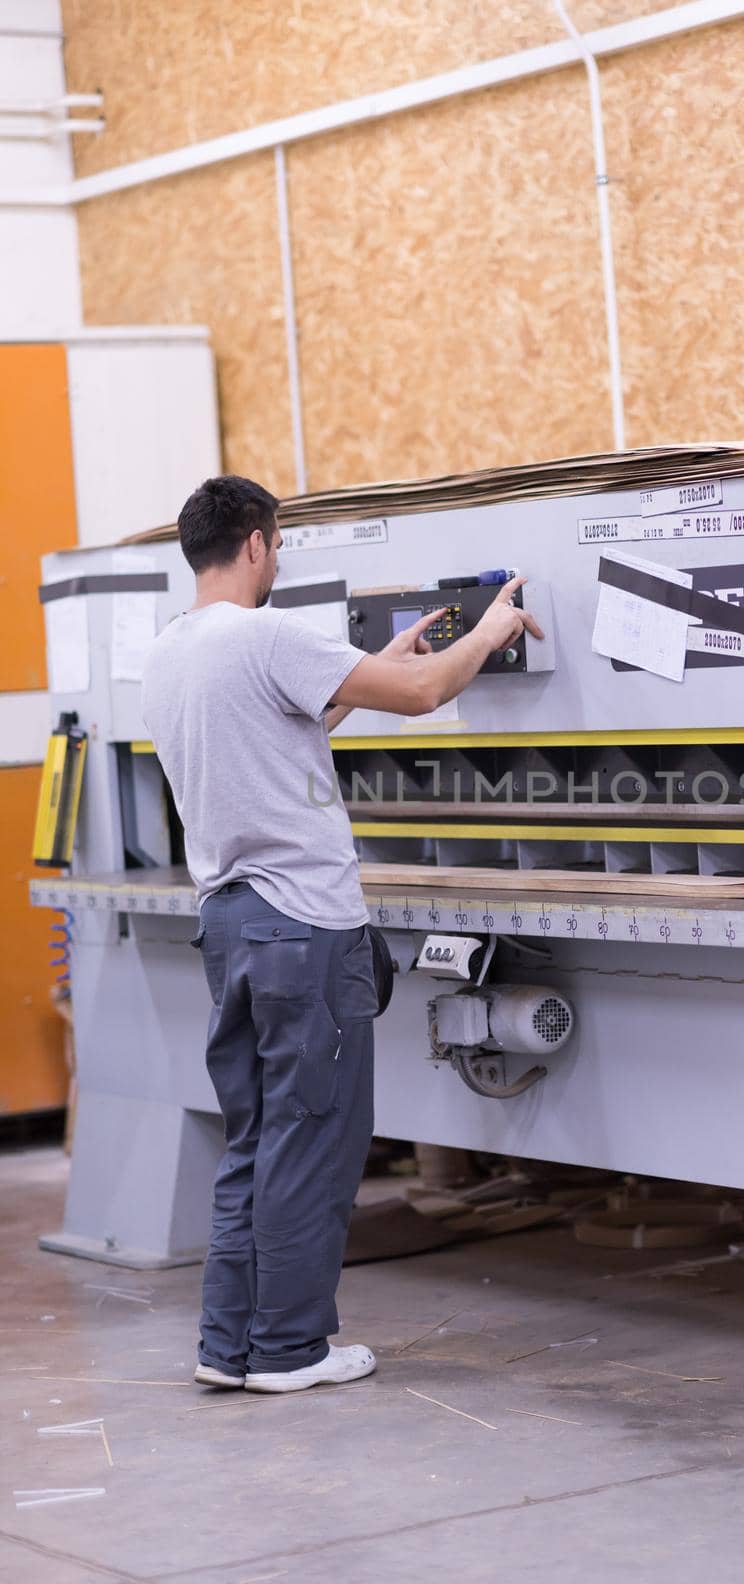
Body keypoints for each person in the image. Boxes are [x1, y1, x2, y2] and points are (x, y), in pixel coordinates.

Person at [141, 475, 542, 1394]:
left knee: (255, 1137)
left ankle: (229, 1344)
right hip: (301, 928)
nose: (277, 561)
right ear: (253, 543)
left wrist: (381, 664)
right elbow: (427, 693)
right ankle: (291, 1349)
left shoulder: (171, 654)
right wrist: (489, 631)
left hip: (231, 924)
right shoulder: (266, 633)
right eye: (277, 546)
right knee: (313, 1137)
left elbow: (285, 729)